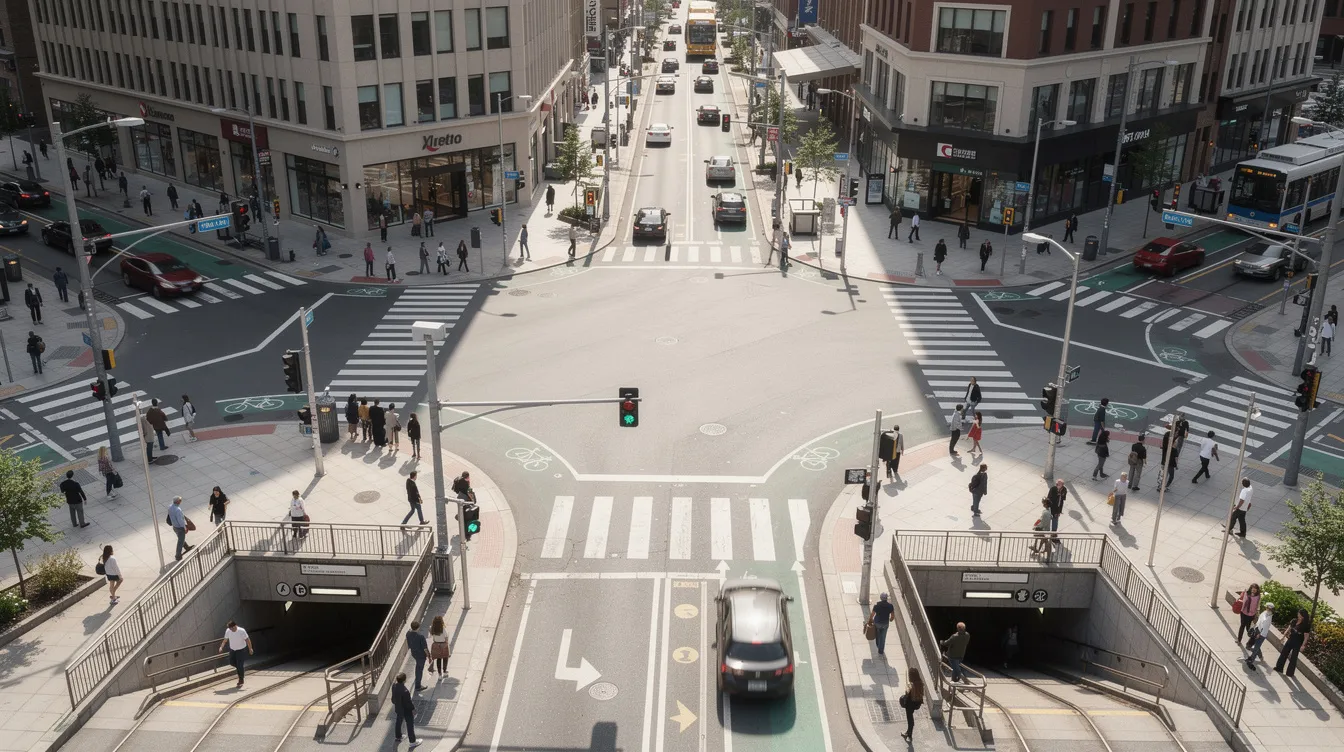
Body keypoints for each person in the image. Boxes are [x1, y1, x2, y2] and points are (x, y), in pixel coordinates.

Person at [1274, 608, 1313, 676]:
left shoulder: (1306, 625)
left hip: (1298, 643)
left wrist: (1303, 645)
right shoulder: (1294, 620)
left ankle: (1290, 673)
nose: (1298, 614)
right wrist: (1283, 636)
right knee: (1284, 653)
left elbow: (1306, 636)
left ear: (1302, 616)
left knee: (1293, 658)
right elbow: (1289, 628)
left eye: (1299, 614)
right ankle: (1279, 668)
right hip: (1290, 639)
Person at [217, 621, 253, 687]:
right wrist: (221, 647)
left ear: (235, 626)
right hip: (233, 650)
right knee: (232, 663)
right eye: (230, 629)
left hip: (241, 650)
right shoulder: (228, 630)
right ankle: (240, 668)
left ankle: (241, 680)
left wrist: (250, 648)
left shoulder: (241, 631)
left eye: (232, 628)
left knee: (239, 665)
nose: (231, 630)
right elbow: (225, 640)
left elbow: (247, 640)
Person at [391, 673, 421, 747]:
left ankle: (398, 737)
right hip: (406, 710)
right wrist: (413, 709)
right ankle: (412, 742)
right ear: (404, 680)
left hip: (398, 708)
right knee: (410, 724)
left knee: (398, 721)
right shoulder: (405, 691)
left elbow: (393, 699)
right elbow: (408, 703)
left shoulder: (394, 686)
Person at [1245, 602, 1275, 669]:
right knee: (1252, 646)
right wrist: (1254, 627)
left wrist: (1259, 634)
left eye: (1267, 607)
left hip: (1261, 634)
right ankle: (1259, 657)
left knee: (1256, 648)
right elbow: (1259, 621)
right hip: (1257, 630)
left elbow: (1264, 627)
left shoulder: (1269, 618)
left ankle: (1251, 661)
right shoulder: (1264, 613)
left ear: (1269, 608)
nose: (1266, 608)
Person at [900, 667, 924, 741]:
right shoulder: (921, 683)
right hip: (917, 703)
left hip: (910, 704)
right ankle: (908, 732)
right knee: (910, 718)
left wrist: (907, 688)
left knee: (910, 719)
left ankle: (909, 734)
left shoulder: (912, 685)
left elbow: (908, 694)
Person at [406, 621, 429, 691]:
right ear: (418, 628)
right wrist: (428, 656)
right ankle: (418, 686)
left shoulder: (408, 634)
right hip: (421, 655)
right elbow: (425, 648)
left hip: (414, 653)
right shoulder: (420, 637)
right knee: (419, 670)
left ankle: (417, 680)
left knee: (418, 667)